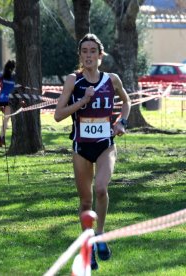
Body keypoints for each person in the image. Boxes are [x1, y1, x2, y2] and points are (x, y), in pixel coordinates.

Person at [54, 33, 131, 270]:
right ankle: (89, 246)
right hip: (81, 147)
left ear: (100, 55)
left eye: (92, 51)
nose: (88, 55)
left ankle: (99, 235)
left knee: (100, 188)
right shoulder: (72, 80)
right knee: (86, 200)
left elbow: (126, 103)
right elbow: (58, 115)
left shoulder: (112, 79)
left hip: (105, 144)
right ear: (80, 55)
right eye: (84, 51)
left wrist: (121, 123)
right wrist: (81, 102)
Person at [0, 59, 16, 147]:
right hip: (9, 99)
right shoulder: (14, 76)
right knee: (6, 119)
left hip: (1, 99)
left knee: (5, 119)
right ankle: (2, 137)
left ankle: (1, 137)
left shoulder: (2, 74)